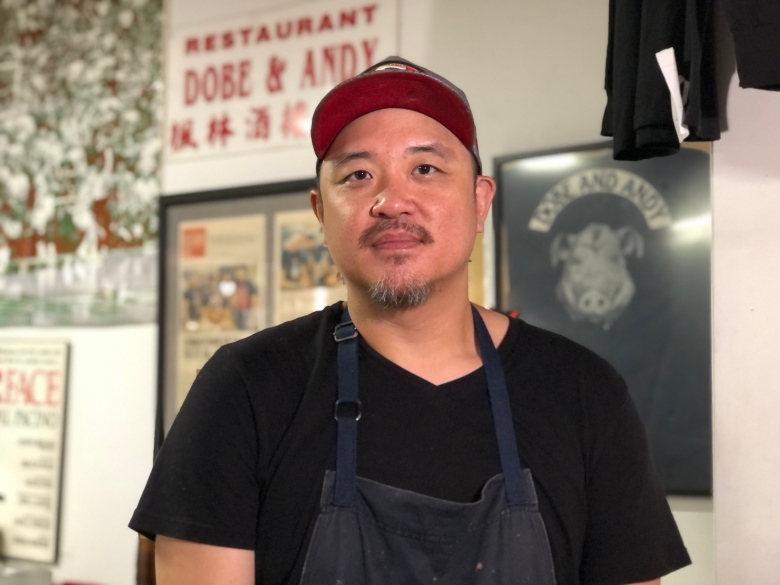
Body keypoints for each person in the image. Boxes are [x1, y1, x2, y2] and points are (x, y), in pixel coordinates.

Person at [130, 57, 691, 585]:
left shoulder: (583, 394)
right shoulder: (245, 388)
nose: (392, 201)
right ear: (321, 214)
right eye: (357, 176)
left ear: (479, 202)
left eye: (425, 168)